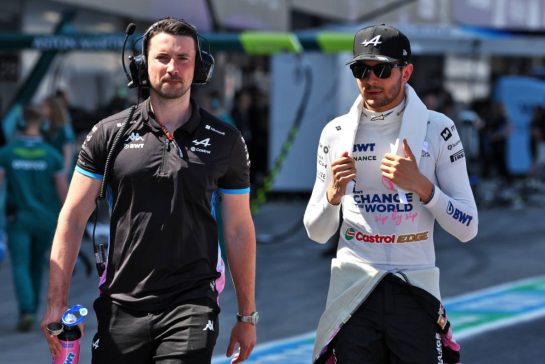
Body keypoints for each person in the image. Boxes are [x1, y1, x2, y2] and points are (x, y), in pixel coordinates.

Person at [41, 18, 257, 364]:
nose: (173, 67)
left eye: (183, 58)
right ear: (142, 65)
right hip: (120, 303)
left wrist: (247, 316)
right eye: (162, 58)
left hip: (193, 302)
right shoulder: (107, 134)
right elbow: (72, 217)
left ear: (200, 67)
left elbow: (238, 229)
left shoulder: (226, 141)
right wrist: (56, 302)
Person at [304, 24, 478, 363]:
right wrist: (333, 195)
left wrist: (423, 187)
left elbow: (468, 227)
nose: (371, 79)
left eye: (382, 69)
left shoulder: (438, 129)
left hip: (415, 288)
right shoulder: (335, 132)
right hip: (353, 289)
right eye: (361, 69)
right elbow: (316, 231)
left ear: (406, 71)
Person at [0, 105, 67, 331]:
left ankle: (27, 309)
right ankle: (34, 308)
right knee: (37, 263)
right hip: (46, 219)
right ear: (44, 125)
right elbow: (63, 191)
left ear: (20, 123)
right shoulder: (52, 155)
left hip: (18, 219)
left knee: (20, 264)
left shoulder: (7, 153)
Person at [41, 95, 77, 177]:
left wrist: (64, 172)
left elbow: (68, 155)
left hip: (61, 170)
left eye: (44, 107)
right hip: (50, 169)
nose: (41, 109)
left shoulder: (64, 128)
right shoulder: (45, 125)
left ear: (53, 109)